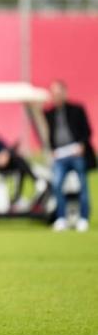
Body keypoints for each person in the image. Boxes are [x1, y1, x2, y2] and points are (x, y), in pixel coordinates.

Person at [45, 80, 95, 232]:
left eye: (59, 93)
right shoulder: (49, 114)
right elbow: (48, 135)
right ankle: (61, 218)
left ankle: (83, 218)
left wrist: (81, 145)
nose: (56, 96)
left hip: (76, 154)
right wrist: (52, 149)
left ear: (65, 93)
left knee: (82, 185)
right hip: (59, 156)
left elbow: (87, 131)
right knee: (58, 184)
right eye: (53, 93)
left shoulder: (77, 110)